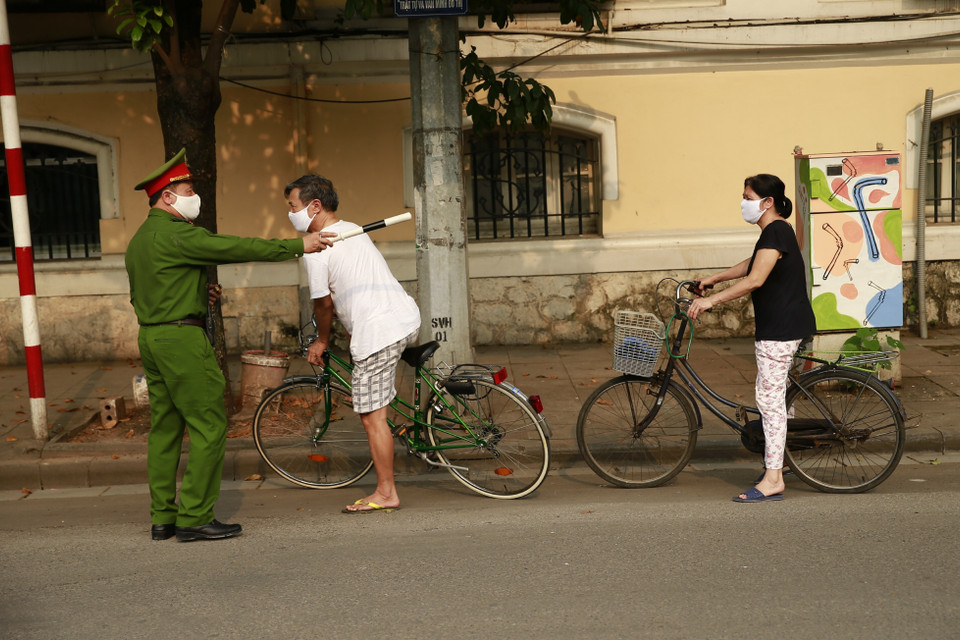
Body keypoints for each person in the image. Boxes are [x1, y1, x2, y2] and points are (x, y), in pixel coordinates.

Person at [126, 149, 333, 542]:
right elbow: (236, 247)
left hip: (152, 337)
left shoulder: (140, 239)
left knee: (165, 429)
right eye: (187, 190)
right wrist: (297, 246)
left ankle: (163, 518)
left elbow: (150, 291)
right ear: (168, 197)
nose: (193, 197)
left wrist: (196, 294)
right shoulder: (177, 234)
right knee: (209, 425)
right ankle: (194, 518)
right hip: (182, 341)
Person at [284, 174, 421, 513]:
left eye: (292, 206)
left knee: (372, 416)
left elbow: (323, 304)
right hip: (404, 317)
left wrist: (322, 340)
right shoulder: (351, 228)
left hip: (379, 333)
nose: (289, 213)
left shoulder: (317, 249)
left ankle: (387, 493)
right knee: (371, 397)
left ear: (314, 206)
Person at [687, 173, 816, 504]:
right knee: (777, 400)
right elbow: (753, 262)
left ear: (767, 202)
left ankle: (773, 479)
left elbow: (756, 278)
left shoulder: (776, 230)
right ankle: (778, 465)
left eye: (747, 196)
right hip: (786, 325)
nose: (743, 203)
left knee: (768, 400)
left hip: (780, 329)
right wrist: (714, 278)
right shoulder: (774, 233)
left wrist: (710, 300)